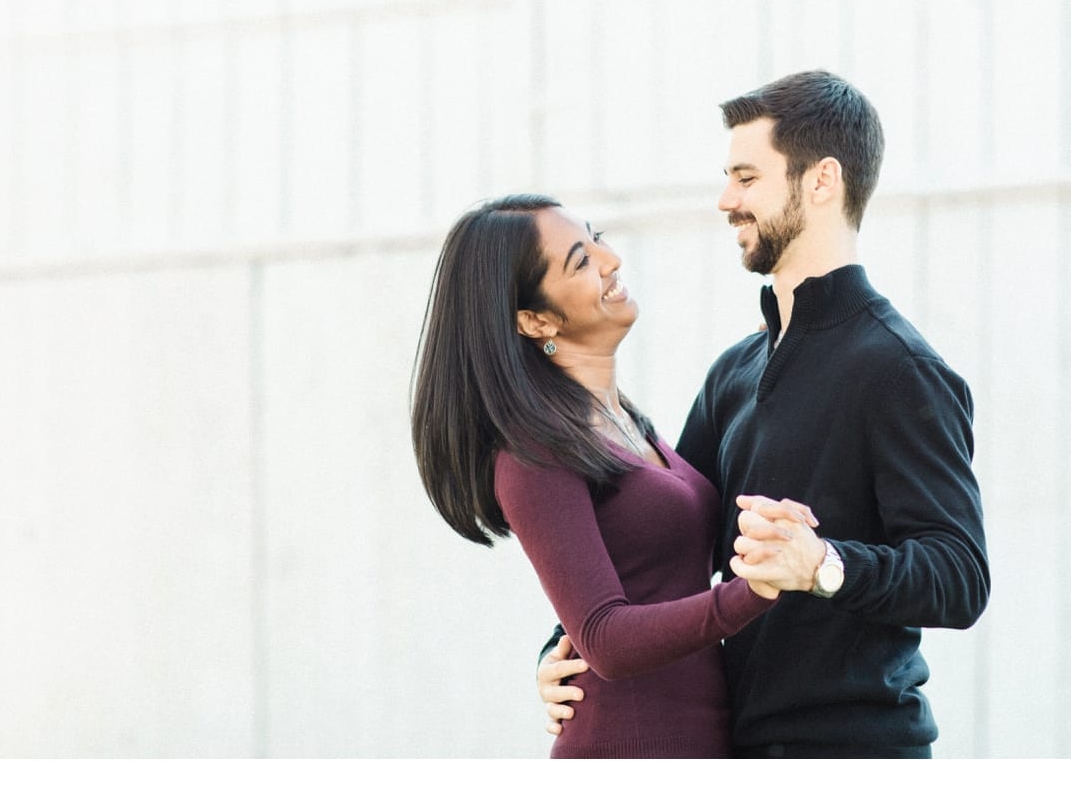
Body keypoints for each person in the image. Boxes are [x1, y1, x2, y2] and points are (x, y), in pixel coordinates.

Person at [538, 71, 990, 758]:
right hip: (735, 746)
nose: (726, 200)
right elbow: (661, 537)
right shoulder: (734, 373)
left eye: (746, 178)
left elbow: (959, 574)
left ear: (821, 181)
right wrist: (566, 645)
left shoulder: (900, 369)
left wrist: (824, 564)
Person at [411, 194, 814, 759]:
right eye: (580, 260)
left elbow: (634, 584)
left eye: (597, 237)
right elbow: (605, 638)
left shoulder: (628, 424)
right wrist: (758, 589)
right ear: (535, 320)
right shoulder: (533, 453)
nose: (611, 259)